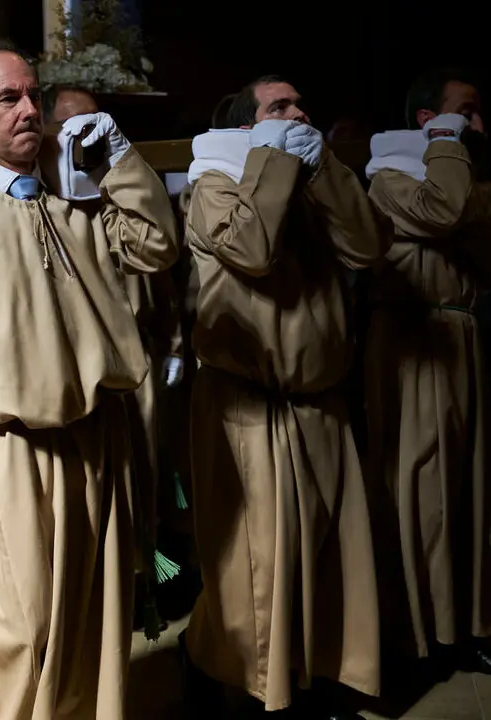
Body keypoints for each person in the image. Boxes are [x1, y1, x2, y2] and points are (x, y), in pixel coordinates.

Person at [0, 38, 178, 720]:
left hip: (96, 445)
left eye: (34, 97)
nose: (30, 110)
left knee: (90, 624)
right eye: (9, 99)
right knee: (13, 635)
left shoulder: (74, 207)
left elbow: (155, 244)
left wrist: (116, 158)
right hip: (7, 455)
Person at [180, 75, 389, 719]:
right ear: (249, 128)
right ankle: (234, 682)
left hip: (318, 400)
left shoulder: (309, 183)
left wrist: (321, 166)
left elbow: (368, 245)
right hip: (248, 405)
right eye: (280, 108)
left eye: (301, 105)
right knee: (256, 567)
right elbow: (251, 249)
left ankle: (312, 676)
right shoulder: (212, 184)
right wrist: (273, 158)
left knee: (324, 555)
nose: (299, 114)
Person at [363, 68, 491, 677]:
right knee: (419, 487)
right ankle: (414, 635)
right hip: (413, 339)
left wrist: (475, 217)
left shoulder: (467, 179)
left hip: (462, 334)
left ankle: (466, 626)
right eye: (465, 112)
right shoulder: (389, 174)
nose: (478, 124)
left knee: (468, 490)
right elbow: (443, 210)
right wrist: (455, 165)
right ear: (431, 122)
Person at [43, 83, 187, 630]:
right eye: (72, 127)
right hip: (83, 382)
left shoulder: (114, 199)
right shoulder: (51, 207)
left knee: (145, 484)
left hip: (140, 365)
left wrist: (172, 344)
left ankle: (145, 588)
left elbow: (159, 262)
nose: (85, 139)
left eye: (94, 126)